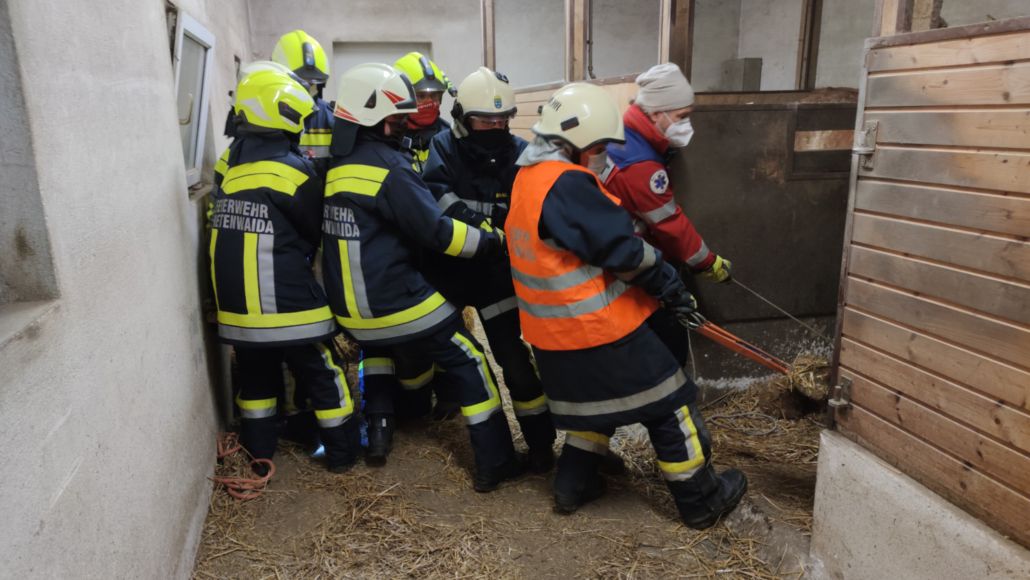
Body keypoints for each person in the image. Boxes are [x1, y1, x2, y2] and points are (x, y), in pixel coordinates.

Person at [506, 82, 748, 529]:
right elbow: (626, 253)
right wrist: (671, 286)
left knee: (593, 408)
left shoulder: (527, 179)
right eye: (598, 147)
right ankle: (701, 499)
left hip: (551, 336)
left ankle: (572, 486)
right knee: (671, 403)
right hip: (599, 330)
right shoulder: (568, 185)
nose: (601, 155)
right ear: (573, 143)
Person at [321, 63, 525, 491]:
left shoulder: (338, 166)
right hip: (396, 300)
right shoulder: (390, 169)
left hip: (353, 314)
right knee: (470, 361)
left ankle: (392, 422)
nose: (402, 128)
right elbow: (439, 234)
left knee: (383, 349)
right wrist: (491, 243)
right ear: (374, 119)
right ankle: (497, 463)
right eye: (396, 120)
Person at [208, 64, 358, 474]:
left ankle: (260, 459)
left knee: (256, 381)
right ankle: (342, 455)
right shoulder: (293, 170)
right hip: (290, 306)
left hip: (237, 312)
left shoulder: (229, 168)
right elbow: (315, 231)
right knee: (323, 373)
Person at [420, 67, 556, 472]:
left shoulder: (520, 151)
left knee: (515, 362)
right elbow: (436, 197)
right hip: (452, 272)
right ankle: (470, 428)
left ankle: (541, 444)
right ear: (464, 117)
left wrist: (497, 222)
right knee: (461, 359)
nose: (496, 127)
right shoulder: (443, 147)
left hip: (498, 275)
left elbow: (526, 205)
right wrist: (483, 223)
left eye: (502, 120)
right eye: (486, 120)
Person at [604, 63, 732, 365]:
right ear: (656, 113)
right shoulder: (639, 164)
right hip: (629, 263)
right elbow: (668, 223)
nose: (686, 125)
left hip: (616, 253)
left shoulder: (627, 136)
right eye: (681, 117)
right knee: (666, 342)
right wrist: (707, 262)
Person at [272, 30, 335, 176]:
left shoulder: (330, 118)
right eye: (300, 83)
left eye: (312, 84)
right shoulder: (263, 117)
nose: (306, 89)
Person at [392, 51, 454, 173]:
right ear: (400, 96)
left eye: (434, 95)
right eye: (421, 96)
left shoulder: (451, 139)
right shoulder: (386, 138)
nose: (429, 102)